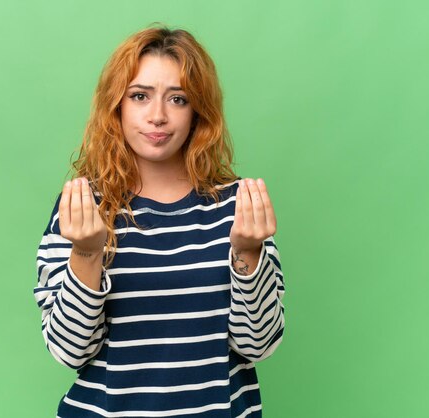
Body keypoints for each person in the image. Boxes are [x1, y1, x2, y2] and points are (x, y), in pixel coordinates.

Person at [33, 26, 285, 418]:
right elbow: (69, 351)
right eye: (139, 96)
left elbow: (259, 345)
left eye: (178, 99)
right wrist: (86, 253)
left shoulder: (238, 205)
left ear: (197, 110)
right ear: (116, 105)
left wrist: (248, 253)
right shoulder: (84, 206)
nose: (158, 117)